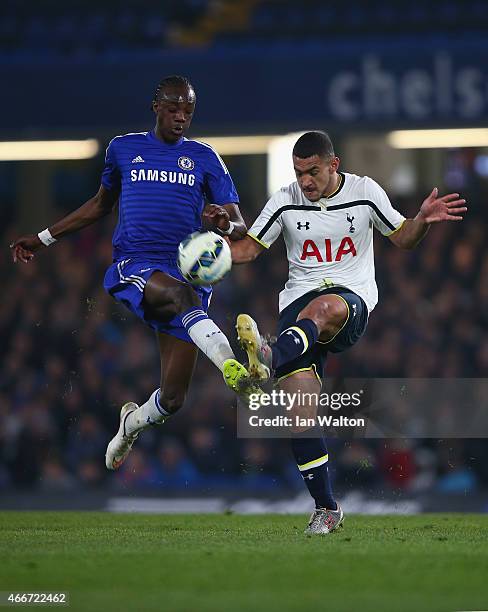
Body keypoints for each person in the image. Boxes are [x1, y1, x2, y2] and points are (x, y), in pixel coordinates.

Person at [228, 131, 467, 534]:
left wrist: (422, 220)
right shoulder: (285, 199)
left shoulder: (364, 191)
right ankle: (327, 509)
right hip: (296, 311)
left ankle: (267, 359)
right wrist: (210, 253)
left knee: (323, 308)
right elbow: (248, 249)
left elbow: (404, 238)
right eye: (299, 172)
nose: (305, 181)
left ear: (333, 165)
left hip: (348, 302)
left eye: (313, 172)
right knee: (300, 415)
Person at [10, 75, 253, 472]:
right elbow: (98, 205)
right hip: (137, 264)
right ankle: (231, 366)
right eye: (173, 109)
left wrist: (223, 222)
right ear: (156, 106)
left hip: (185, 272)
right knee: (184, 298)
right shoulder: (123, 149)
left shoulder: (206, 157)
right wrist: (43, 238)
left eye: (188, 112)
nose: (180, 118)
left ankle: (131, 423)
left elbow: (240, 224)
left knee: (173, 400)